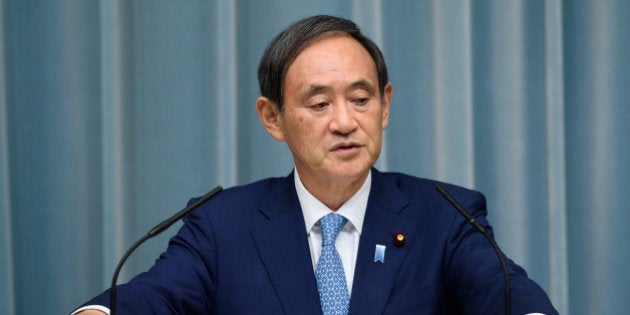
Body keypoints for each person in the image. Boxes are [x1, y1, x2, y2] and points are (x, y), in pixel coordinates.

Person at [74, 15, 558, 314]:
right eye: (319, 104)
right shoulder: (222, 225)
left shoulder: (446, 214)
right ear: (273, 117)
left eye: (361, 98)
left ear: (385, 106)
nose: (345, 122)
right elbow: (155, 296)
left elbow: (504, 291)